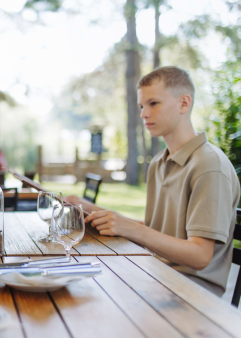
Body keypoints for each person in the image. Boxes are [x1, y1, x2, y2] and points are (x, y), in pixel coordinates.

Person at [66, 66, 240, 296]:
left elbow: (200, 256)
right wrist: (88, 209)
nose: (144, 114)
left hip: (191, 295)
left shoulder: (209, 165)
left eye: (153, 103)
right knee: (79, 287)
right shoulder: (159, 162)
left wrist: (131, 229)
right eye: (141, 106)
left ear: (184, 103)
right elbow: (158, 231)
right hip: (154, 273)